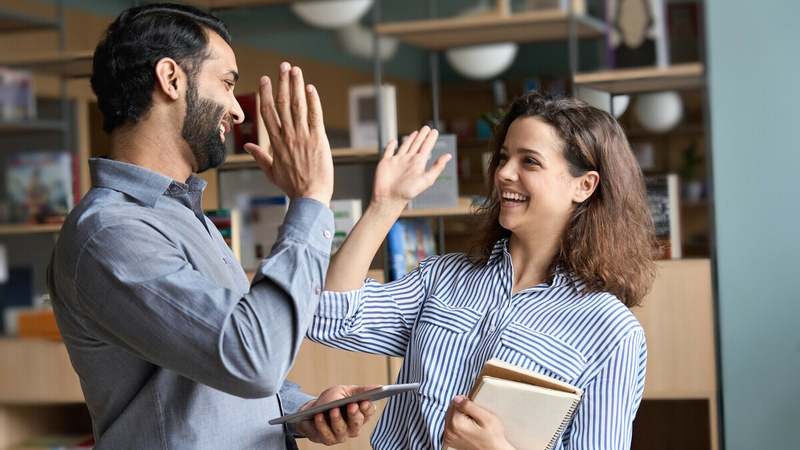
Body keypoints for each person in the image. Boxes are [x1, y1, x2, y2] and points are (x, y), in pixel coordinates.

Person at [47, 4, 379, 449]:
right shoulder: (109, 233)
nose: (237, 111)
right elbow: (253, 358)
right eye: (226, 82)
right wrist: (309, 199)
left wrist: (298, 410)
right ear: (171, 79)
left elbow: (216, 356)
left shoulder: (183, 215)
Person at [301, 91, 659, 449]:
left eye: (529, 162)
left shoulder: (612, 332)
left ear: (584, 186)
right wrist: (385, 204)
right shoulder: (442, 278)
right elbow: (328, 317)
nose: (503, 173)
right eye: (503, 157)